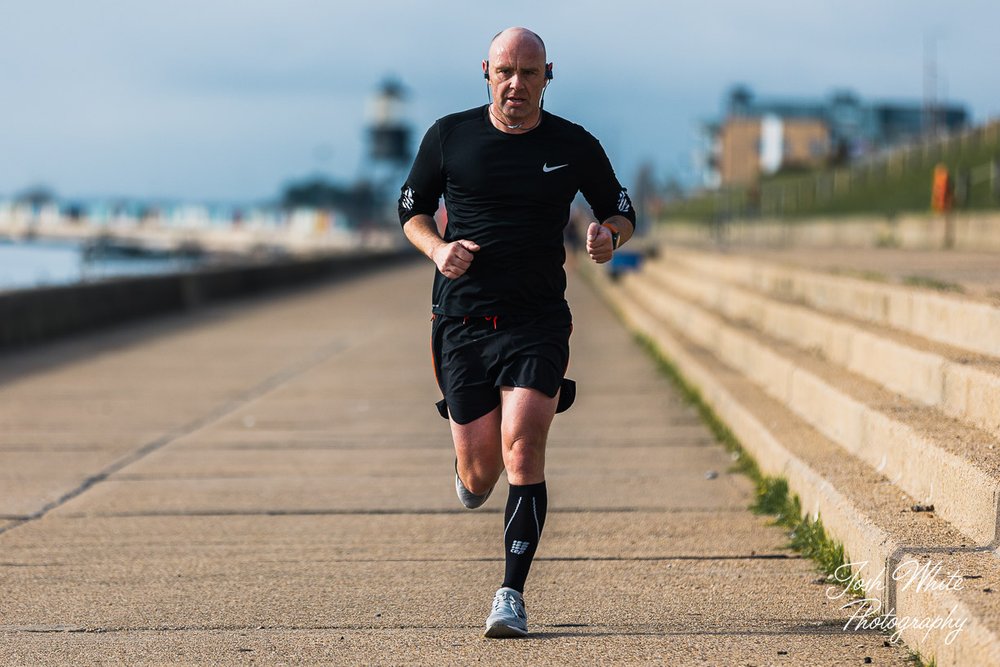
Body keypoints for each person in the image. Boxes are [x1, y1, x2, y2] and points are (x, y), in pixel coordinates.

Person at [397, 26, 635, 638]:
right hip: (463, 321)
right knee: (480, 474)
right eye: (505, 71)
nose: (516, 85)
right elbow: (411, 211)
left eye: (529, 73)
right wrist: (437, 249)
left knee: (523, 446)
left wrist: (609, 237)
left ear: (547, 76)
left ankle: (510, 595)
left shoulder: (574, 144)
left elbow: (622, 210)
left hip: (536, 321)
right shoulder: (450, 136)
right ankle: (467, 462)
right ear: (486, 72)